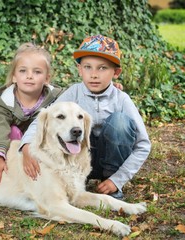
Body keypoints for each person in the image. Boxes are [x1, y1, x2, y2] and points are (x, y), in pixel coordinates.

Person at [20, 34, 151, 199]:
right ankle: (78, 181)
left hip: (111, 163)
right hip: (79, 162)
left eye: (102, 68)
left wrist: (118, 179)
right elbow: (46, 118)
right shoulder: (73, 93)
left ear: (116, 72)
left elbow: (143, 144)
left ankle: (109, 183)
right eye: (88, 67)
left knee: (120, 122)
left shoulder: (121, 99)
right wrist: (25, 146)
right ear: (80, 70)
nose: (94, 74)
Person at [0, 42, 63, 185]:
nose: (29, 76)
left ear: (46, 79)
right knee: (12, 131)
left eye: (37, 72)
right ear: (14, 76)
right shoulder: (6, 100)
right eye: (23, 71)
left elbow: (77, 100)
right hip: (15, 149)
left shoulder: (56, 97)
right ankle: (18, 172)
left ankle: (47, 171)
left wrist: (107, 87)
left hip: (43, 146)